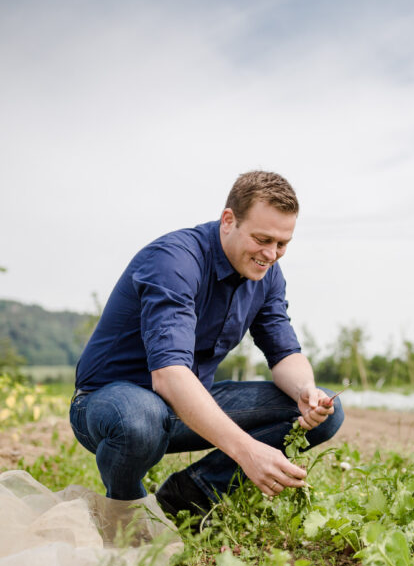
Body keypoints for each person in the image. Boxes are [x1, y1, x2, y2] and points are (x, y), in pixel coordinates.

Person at [70, 171, 344, 523]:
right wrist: (247, 452)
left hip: (187, 405)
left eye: (282, 243)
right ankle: (126, 513)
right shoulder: (175, 261)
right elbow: (169, 377)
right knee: (140, 419)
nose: (271, 254)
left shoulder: (268, 274)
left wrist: (305, 390)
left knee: (323, 413)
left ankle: (185, 497)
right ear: (228, 220)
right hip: (110, 404)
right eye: (263, 239)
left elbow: (284, 352)